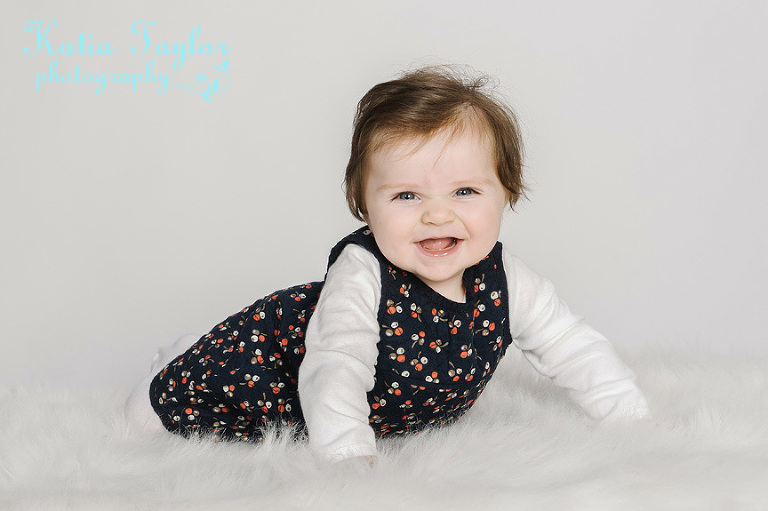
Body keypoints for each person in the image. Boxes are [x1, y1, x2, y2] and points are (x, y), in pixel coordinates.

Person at [126, 66, 649, 465]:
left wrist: (629, 419)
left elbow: (572, 345)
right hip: (280, 363)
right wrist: (349, 458)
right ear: (363, 205)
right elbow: (335, 369)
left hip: (380, 399)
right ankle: (174, 363)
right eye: (405, 195)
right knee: (172, 403)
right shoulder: (362, 273)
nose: (436, 213)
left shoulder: (507, 277)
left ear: (506, 193)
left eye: (465, 191)